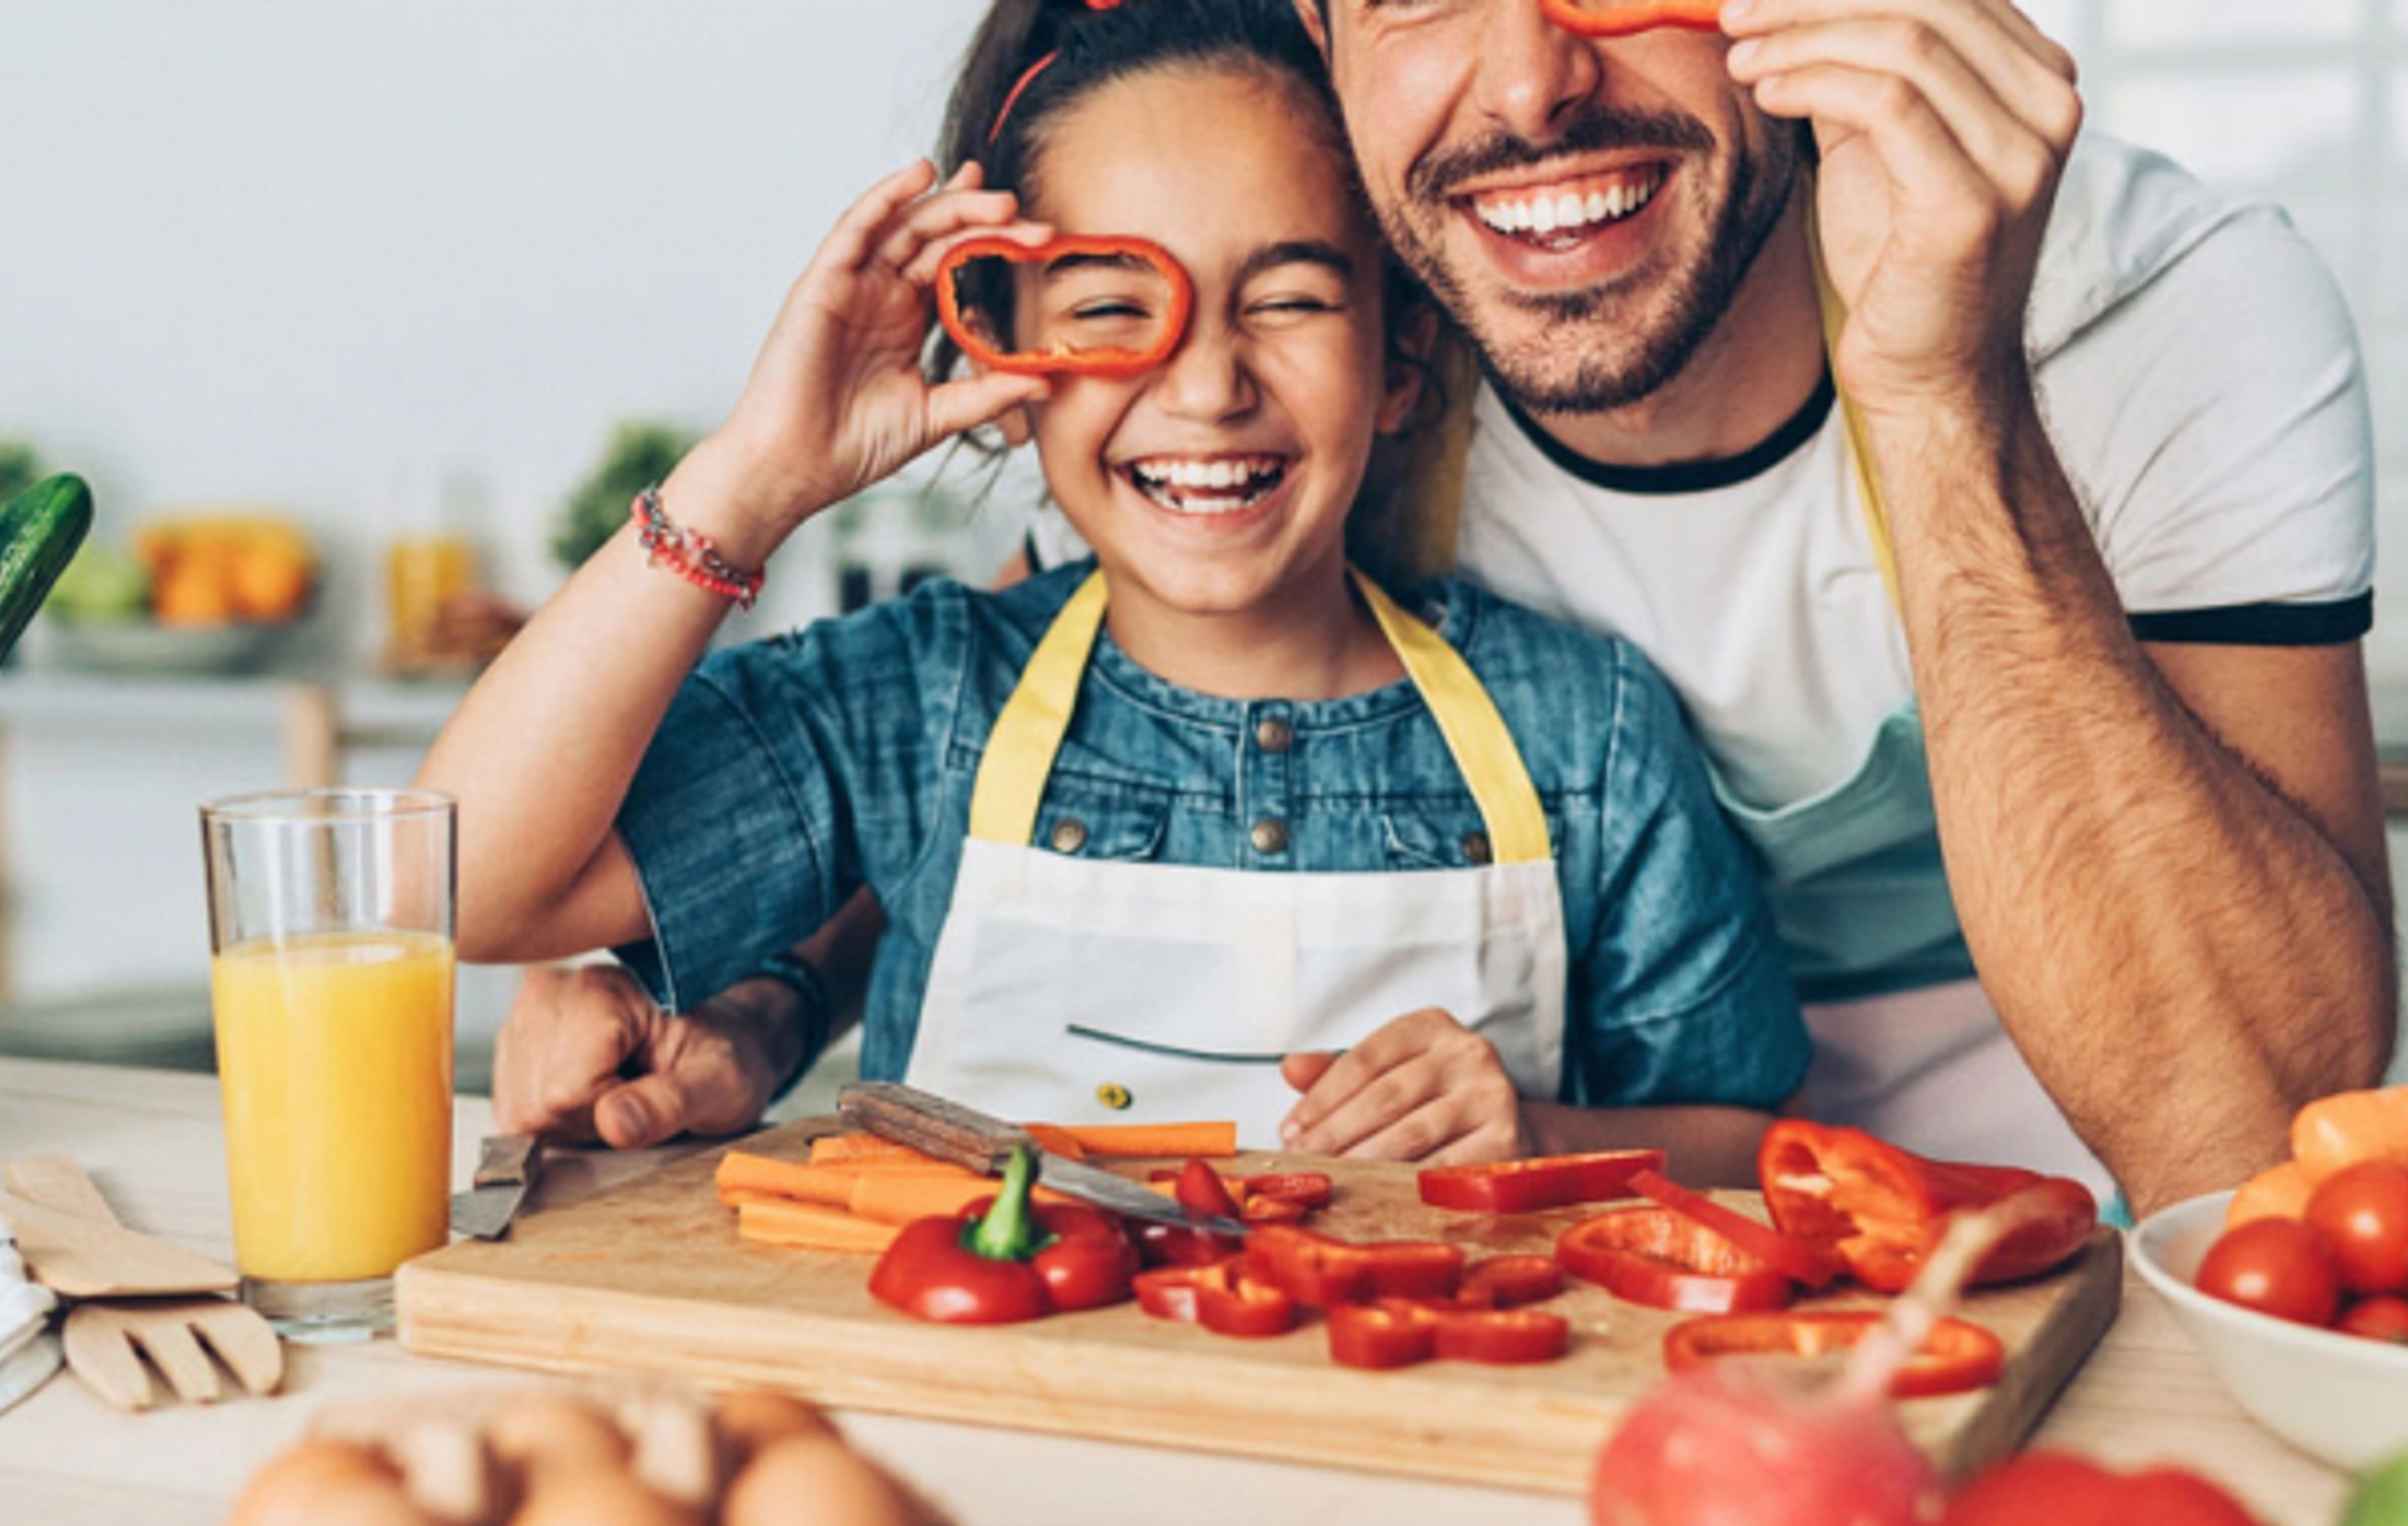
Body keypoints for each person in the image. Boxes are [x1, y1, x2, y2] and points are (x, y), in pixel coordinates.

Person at [502, 0, 2398, 1216]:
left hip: (2015, 1242)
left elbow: (2232, 1135)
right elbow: (1005, 728)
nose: (1528, 82)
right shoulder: (1398, 283)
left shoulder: (2160, 308)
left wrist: (1940, 383)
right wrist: (751, 996)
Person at [423, 0, 1814, 1184]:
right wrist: (754, 478)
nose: (1207, 388)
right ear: (1005, 365)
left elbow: (1754, 1139)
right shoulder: (923, 700)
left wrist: (1545, 1137)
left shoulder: (1591, 733)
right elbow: (463, 881)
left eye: (1289, 300)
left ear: (1401, 362)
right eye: (1107, 307)